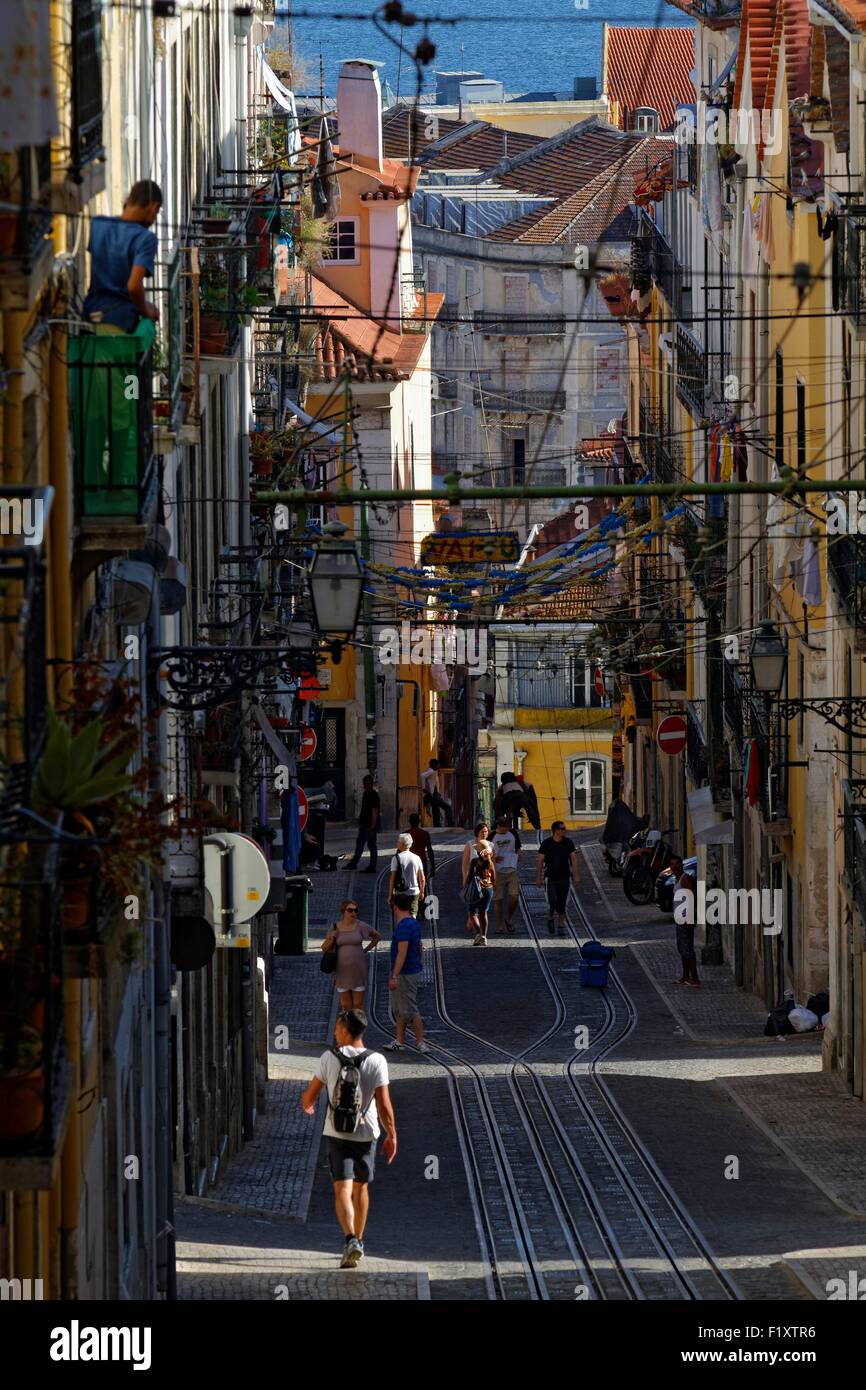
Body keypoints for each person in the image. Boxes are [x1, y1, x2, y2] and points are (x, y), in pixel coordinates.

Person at [300, 1008, 396, 1268]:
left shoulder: (328, 1058)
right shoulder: (377, 1061)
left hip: (336, 1132)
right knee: (361, 1187)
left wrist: (307, 1104)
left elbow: (309, 1096)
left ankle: (350, 1238)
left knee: (342, 1187)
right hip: (366, 1133)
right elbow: (385, 1104)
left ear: (345, 1030)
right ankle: (359, 1241)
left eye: (336, 1028)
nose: (334, 1032)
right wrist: (392, 1135)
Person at [83, 180, 163, 332]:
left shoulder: (98, 224)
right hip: (119, 322)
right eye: (157, 213)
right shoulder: (145, 239)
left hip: (89, 317)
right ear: (154, 207)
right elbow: (133, 286)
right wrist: (146, 310)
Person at [385, 891, 429, 1052]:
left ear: (395, 908)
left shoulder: (403, 926)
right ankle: (400, 1040)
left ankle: (420, 1042)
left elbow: (401, 953)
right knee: (398, 1008)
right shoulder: (413, 922)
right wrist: (421, 960)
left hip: (405, 972)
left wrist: (394, 975)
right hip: (412, 968)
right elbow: (419, 945)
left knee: (410, 1008)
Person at [321, 900, 381, 1010]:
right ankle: (347, 1027)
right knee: (345, 1005)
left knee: (358, 1005)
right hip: (341, 970)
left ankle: (358, 1026)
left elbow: (377, 936)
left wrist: (366, 950)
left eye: (355, 910)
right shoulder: (335, 927)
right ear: (343, 912)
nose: (353, 913)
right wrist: (332, 937)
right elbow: (324, 948)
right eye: (350, 910)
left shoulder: (361, 925)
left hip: (358, 970)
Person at [536, 821, 580, 935]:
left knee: (563, 902)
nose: (565, 830)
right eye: (563, 828)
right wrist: (538, 878)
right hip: (550, 877)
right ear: (556, 830)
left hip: (565, 877)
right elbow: (540, 861)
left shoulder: (568, 843)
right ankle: (550, 918)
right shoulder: (546, 843)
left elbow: (573, 859)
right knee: (552, 901)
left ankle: (561, 925)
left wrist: (576, 876)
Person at [670, 856, 701, 988]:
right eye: (672, 865)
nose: (674, 867)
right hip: (680, 918)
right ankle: (685, 976)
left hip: (685, 919)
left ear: (681, 865)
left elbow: (691, 897)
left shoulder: (685, 879)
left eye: (677, 864)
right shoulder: (677, 879)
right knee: (682, 948)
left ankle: (694, 978)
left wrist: (689, 917)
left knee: (687, 948)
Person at [463, 835, 496, 945]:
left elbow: (470, 876)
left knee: (472, 912)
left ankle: (479, 934)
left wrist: (465, 885)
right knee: (483, 912)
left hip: (477, 889)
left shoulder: (474, 862)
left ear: (478, 852)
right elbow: (494, 878)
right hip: (488, 889)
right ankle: (484, 936)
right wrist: (493, 887)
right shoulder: (490, 863)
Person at [491, 816, 520, 935]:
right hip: (497, 871)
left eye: (507, 826)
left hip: (512, 869)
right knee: (498, 899)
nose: (505, 829)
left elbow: (518, 847)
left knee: (515, 896)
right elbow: (484, 852)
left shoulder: (513, 833)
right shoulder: (492, 836)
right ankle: (499, 925)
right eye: (503, 827)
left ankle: (508, 918)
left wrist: (517, 856)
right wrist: (494, 858)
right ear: (498, 826)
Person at [344, 774, 380, 872]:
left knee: (372, 845)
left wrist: (373, 825)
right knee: (360, 844)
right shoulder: (365, 794)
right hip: (364, 824)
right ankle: (354, 863)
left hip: (370, 825)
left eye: (368, 784)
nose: (366, 785)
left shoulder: (374, 795)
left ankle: (372, 867)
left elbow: (374, 811)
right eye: (365, 784)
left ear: (371, 784)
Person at [388, 832, 426, 918]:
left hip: (401, 893)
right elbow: (422, 878)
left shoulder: (396, 858)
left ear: (402, 844)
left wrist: (390, 895)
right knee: (413, 916)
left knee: (401, 916)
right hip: (414, 892)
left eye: (398, 841)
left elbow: (392, 879)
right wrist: (422, 892)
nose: (397, 843)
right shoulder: (417, 858)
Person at [420, 758, 454, 827]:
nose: (439, 766)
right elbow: (422, 776)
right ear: (434, 765)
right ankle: (450, 824)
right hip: (434, 795)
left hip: (434, 794)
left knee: (436, 811)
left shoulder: (432, 772)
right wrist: (423, 788)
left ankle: (437, 825)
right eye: (438, 765)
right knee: (447, 807)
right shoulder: (431, 771)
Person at [407, 812, 435, 881]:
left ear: (409, 822)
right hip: (421, 861)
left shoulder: (405, 834)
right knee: (422, 883)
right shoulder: (425, 834)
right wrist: (433, 866)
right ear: (419, 822)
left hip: (408, 862)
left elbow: (399, 852)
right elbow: (429, 850)